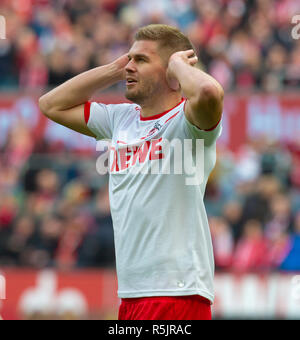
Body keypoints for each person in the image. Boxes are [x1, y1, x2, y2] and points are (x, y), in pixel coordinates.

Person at [39, 24, 224, 320]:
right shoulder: (120, 120)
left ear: (172, 74)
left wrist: (177, 64)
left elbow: (208, 91)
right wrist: (114, 69)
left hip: (178, 292)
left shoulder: (187, 124)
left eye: (142, 60)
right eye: (130, 58)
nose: (130, 66)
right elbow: (50, 104)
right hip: (131, 294)